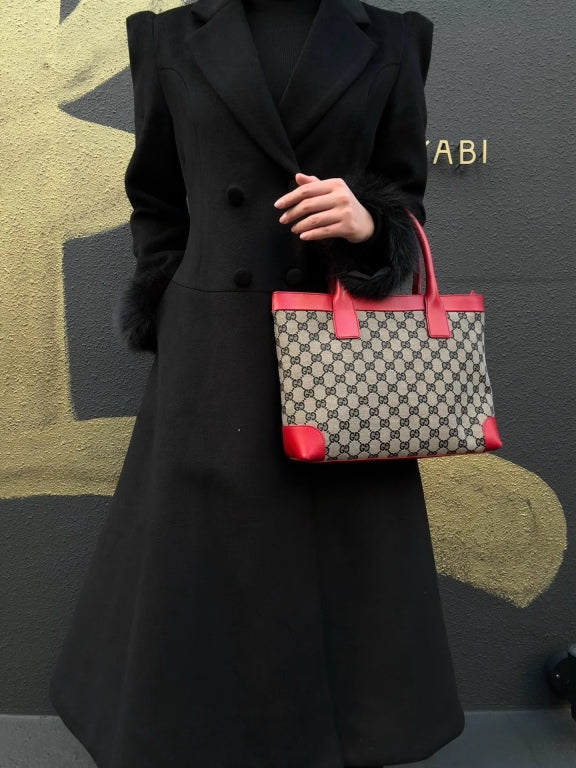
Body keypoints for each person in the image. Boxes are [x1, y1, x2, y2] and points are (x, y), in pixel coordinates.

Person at [49, 0, 466, 766]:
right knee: (201, 572)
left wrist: (369, 223)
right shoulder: (170, 37)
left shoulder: (393, 37)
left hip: (338, 366)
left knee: (337, 578)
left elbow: (405, 198)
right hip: (213, 355)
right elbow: (157, 202)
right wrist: (174, 312)